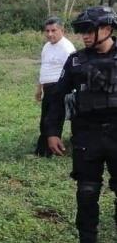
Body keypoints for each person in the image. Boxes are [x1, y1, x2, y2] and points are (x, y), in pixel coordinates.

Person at [44, 6, 117, 243]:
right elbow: (56, 99)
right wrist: (52, 133)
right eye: (82, 31)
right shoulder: (76, 61)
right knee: (86, 193)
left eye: (89, 30)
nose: (84, 35)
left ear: (107, 29)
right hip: (88, 136)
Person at [35, 17, 75, 157]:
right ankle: (43, 148)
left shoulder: (67, 48)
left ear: (62, 30)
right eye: (47, 31)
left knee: (53, 119)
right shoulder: (47, 46)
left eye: (54, 30)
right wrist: (39, 88)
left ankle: (49, 151)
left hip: (59, 88)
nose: (50, 34)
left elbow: (72, 72)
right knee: (44, 118)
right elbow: (43, 67)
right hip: (47, 87)